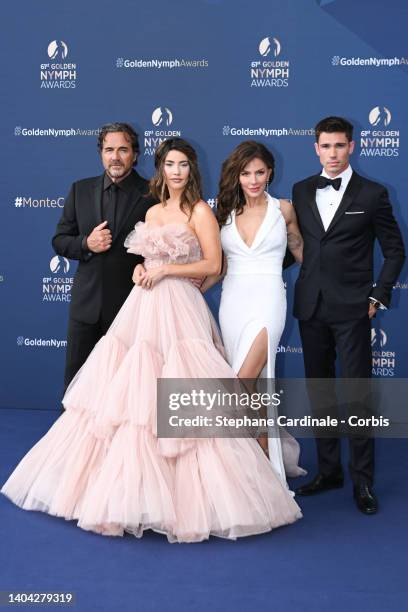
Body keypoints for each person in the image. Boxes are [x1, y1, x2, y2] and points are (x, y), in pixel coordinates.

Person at [1, 138, 302, 543]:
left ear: (192, 170)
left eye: (183, 165)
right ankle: (129, 492)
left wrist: (167, 273)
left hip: (181, 305)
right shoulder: (153, 209)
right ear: (160, 169)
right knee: (135, 396)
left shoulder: (200, 211)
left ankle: (247, 473)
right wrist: (141, 272)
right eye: (170, 165)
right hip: (143, 305)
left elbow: (213, 264)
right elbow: (144, 260)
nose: (176, 172)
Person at [292, 116, 405, 514]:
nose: (333, 153)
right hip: (310, 307)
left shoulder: (373, 194)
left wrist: (378, 294)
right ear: (316, 148)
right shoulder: (302, 190)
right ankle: (328, 472)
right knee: (319, 392)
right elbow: (299, 245)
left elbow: (395, 251)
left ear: (352, 146)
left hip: (354, 308)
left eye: (340, 146)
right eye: (326, 146)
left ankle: (363, 481)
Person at [201, 140, 305, 483]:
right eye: (246, 173)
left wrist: (340, 282)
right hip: (234, 302)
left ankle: (226, 455)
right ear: (237, 176)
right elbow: (219, 268)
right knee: (255, 386)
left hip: (269, 299)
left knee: (243, 379)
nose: (254, 179)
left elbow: (302, 251)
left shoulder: (284, 210)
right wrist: (190, 293)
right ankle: (261, 458)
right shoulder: (225, 214)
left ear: (270, 172)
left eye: (260, 172)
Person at [52, 122, 155, 391]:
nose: (115, 156)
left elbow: (160, 248)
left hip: (130, 307)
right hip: (85, 307)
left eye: (123, 149)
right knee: (76, 386)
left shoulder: (152, 195)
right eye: (109, 149)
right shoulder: (80, 190)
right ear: (101, 153)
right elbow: (60, 240)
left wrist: (146, 265)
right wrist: (86, 243)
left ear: (135, 154)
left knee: (124, 388)